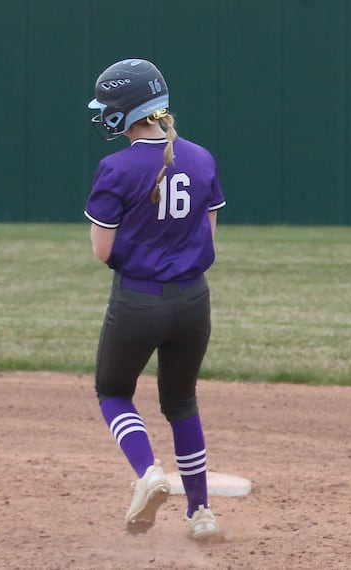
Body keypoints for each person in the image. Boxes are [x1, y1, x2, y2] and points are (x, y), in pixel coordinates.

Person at [84, 58, 226, 539]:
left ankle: (148, 473)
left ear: (124, 112)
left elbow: (103, 250)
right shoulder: (202, 157)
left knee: (114, 391)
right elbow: (209, 240)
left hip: (139, 301)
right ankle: (201, 513)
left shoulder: (114, 167)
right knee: (182, 402)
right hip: (193, 302)